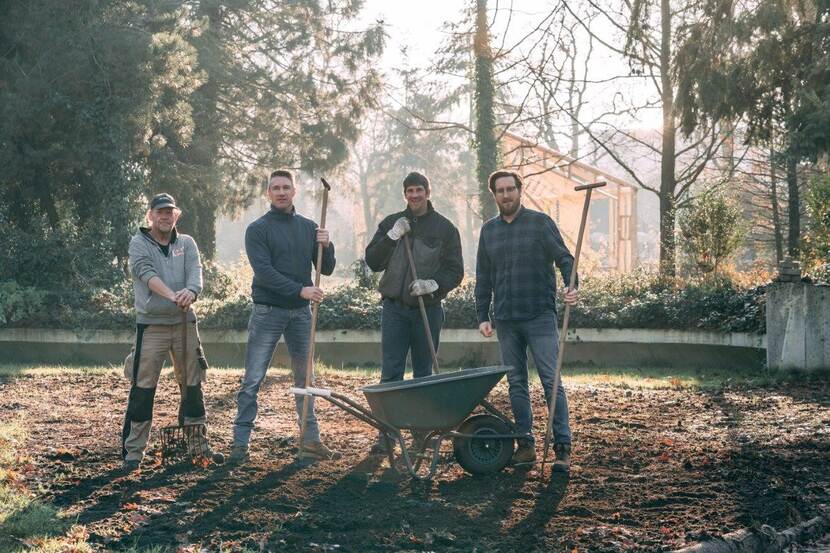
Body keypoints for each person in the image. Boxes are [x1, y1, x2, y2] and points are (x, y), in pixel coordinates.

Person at [230, 170, 339, 463]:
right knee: (253, 378)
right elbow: (264, 273)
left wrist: (326, 245)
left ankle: (310, 441)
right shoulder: (258, 229)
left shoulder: (308, 227)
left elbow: (325, 268)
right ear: (268, 193)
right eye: (275, 188)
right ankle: (240, 443)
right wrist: (300, 290)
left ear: (294, 192)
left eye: (285, 187)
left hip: (301, 315)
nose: (281, 192)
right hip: (268, 311)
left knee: (305, 377)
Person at [475, 170, 579, 472]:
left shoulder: (540, 223)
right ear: (493, 194)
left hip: (539, 315)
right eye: (500, 191)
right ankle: (526, 444)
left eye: (511, 189)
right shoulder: (489, 231)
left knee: (550, 380)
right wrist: (483, 315)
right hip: (506, 319)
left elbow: (565, 258)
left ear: (520, 190)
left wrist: (571, 286)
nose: (506, 195)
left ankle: (562, 447)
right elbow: (483, 277)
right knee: (516, 383)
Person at [122, 193, 223, 472]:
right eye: (160, 212)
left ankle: (198, 446)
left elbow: (196, 273)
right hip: (152, 325)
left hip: (184, 323)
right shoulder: (139, 242)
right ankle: (133, 452)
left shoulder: (187, 243)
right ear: (151, 215)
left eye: (171, 212)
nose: (166, 216)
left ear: (176, 216)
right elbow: (146, 274)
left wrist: (190, 292)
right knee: (143, 387)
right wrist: (173, 296)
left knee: (192, 384)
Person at [364, 171, 463, 451]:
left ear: (428, 192)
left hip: (427, 310)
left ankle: (422, 433)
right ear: (405, 194)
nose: (415, 195)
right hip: (394, 309)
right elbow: (372, 261)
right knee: (391, 372)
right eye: (410, 191)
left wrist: (433, 284)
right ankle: (388, 433)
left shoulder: (445, 229)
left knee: (423, 374)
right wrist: (392, 237)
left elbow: (456, 271)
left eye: (419, 190)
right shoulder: (390, 223)